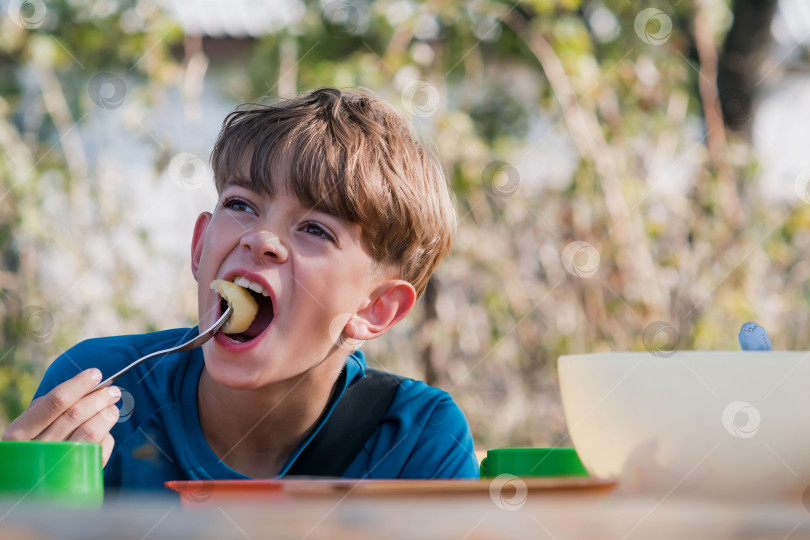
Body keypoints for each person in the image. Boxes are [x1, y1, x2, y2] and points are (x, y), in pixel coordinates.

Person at [2, 88, 479, 489]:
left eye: (315, 229)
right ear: (199, 247)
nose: (261, 239)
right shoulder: (102, 390)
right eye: (242, 205)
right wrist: (20, 506)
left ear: (376, 308)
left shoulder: (417, 443)